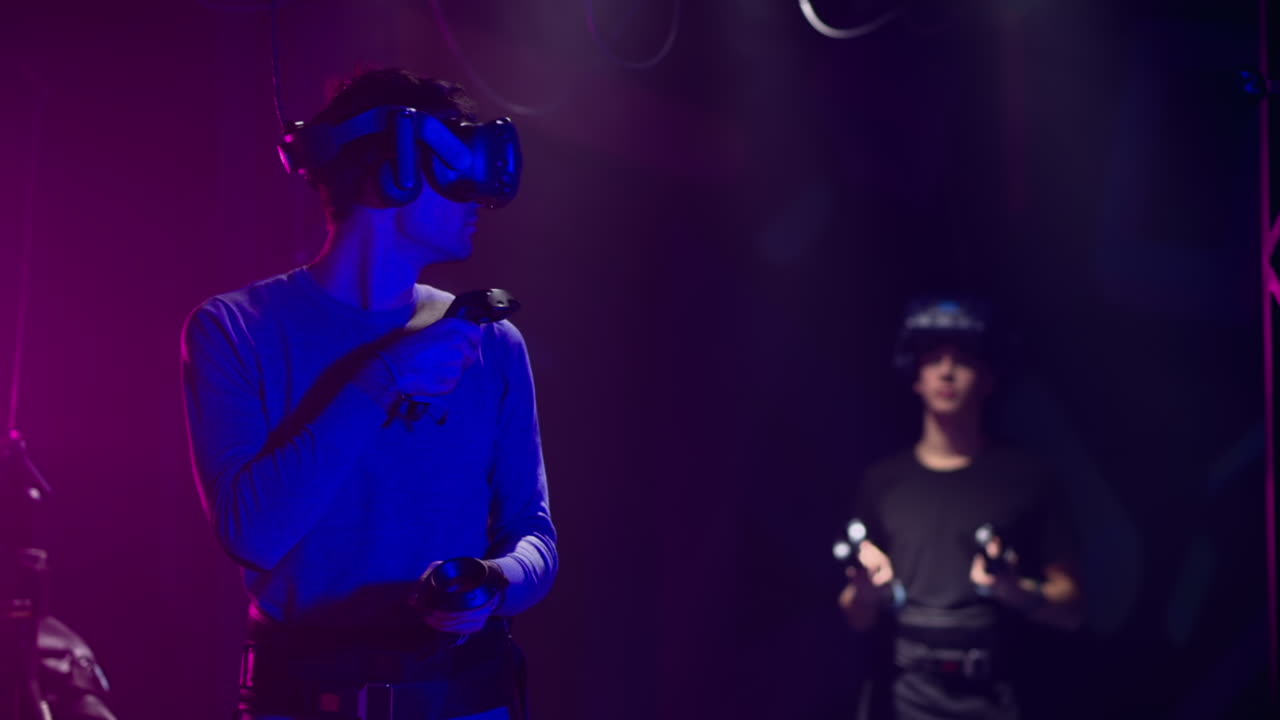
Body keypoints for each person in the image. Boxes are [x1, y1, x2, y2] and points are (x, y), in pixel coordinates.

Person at [180, 67, 556, 720]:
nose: (479, 198)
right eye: (456, 163)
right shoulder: (234, 328)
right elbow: (252, 533)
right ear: (397, 165)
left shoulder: (492, 343)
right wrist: (382, 377)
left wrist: (492, 584)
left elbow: (534, 538)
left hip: (465, 700)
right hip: (299, 701)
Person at [837, 298, 1082, 720]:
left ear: (987, 377)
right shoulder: (883, 482)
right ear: (915, 376)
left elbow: (1072, 608)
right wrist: (864, 592)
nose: (946, 373)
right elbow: (854, 615)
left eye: (962, 360)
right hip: (904, 697)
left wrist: (1014, 589)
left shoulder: (1025, 478)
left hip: (997, 696)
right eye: (933, 359)